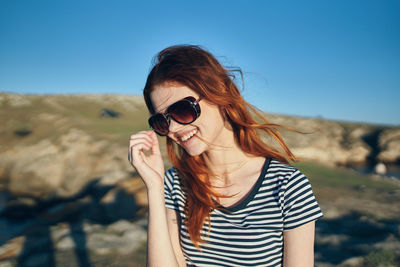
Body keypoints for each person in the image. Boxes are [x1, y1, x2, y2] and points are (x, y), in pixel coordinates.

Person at [129, 45, 323, 267]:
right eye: (162, 121)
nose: (173, 128)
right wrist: (155, 187)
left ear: (219, 94)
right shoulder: (175, 183)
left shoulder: (287, 186)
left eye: (182, 110)